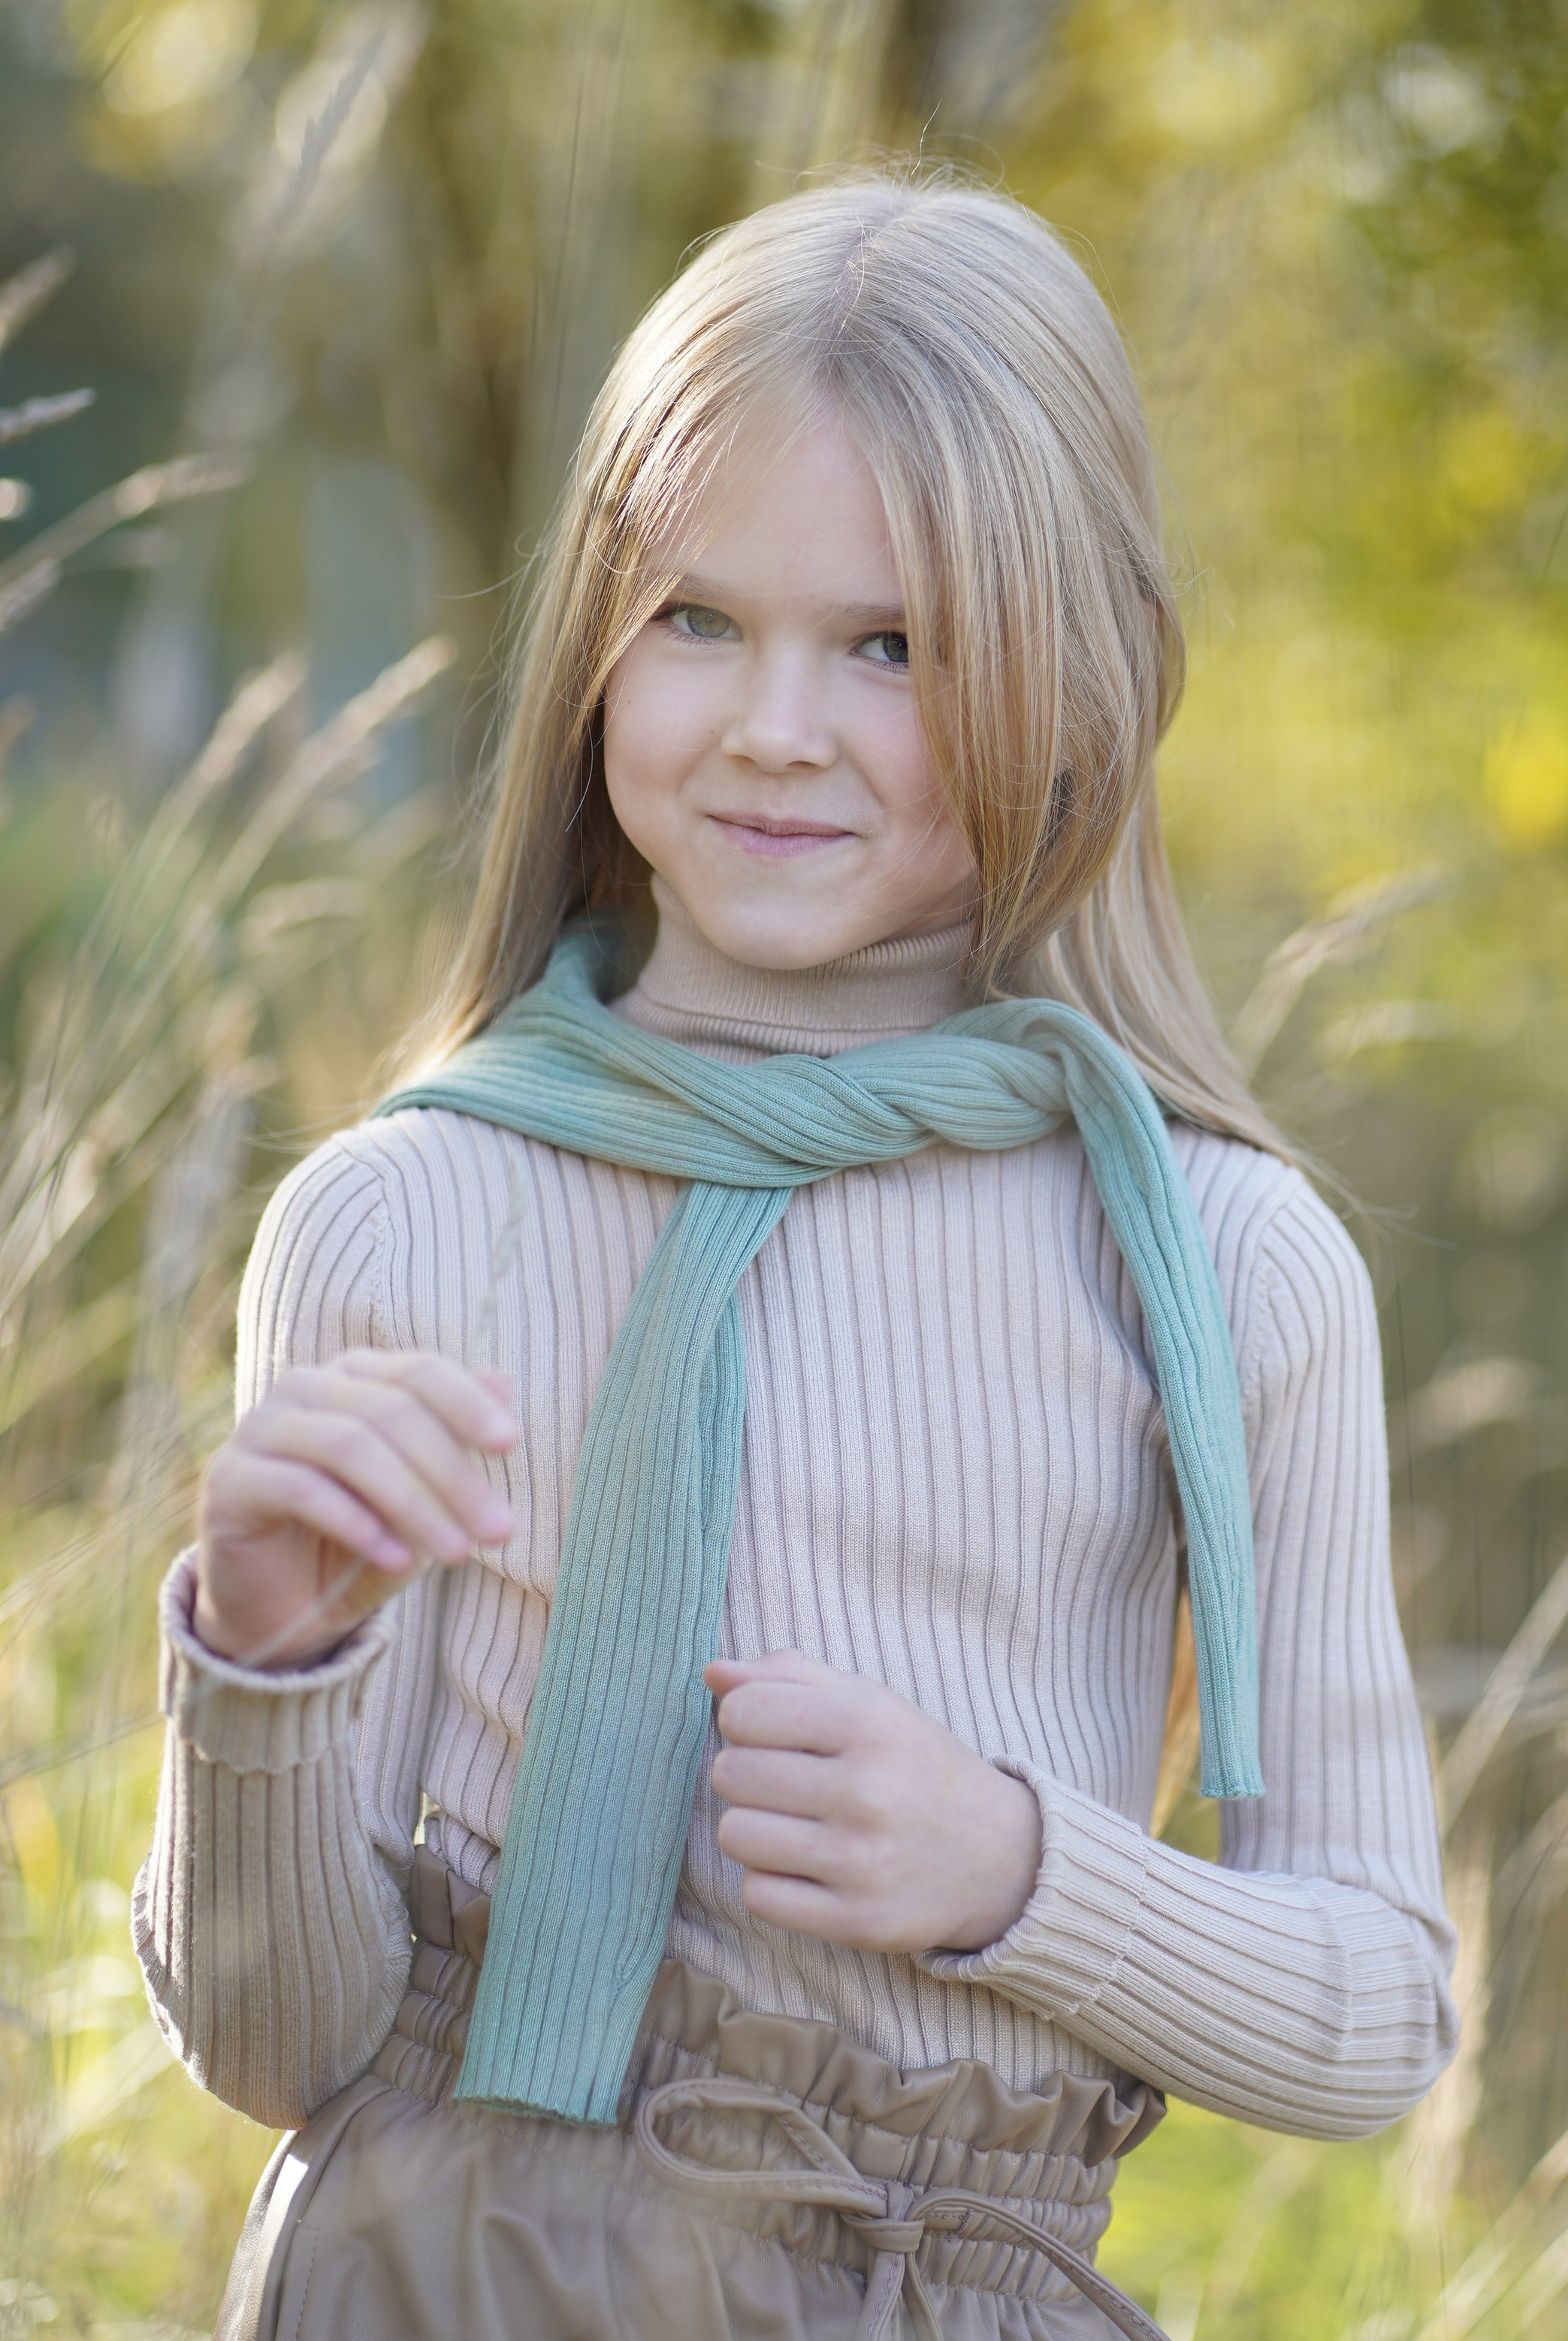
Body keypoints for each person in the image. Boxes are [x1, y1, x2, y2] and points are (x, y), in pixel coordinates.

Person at [135, 172, 1457, 2339]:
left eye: (894, 648)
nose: (774, 724)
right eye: (696, 620)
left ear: (1077, 676)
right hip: (443, 2268)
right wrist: (261, 1657)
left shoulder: (1227, 1269)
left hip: (948, 2280)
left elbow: (1373, 2001)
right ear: (593, 635)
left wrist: (1022, 1873)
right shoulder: (403, 1212)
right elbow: (279, 2053)